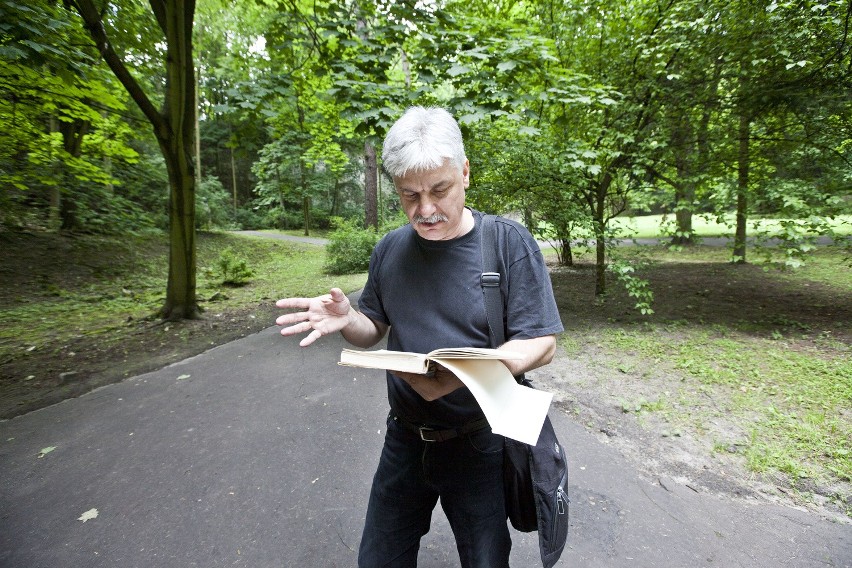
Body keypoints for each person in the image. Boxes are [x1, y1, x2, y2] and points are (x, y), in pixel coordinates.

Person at [275, 106, 563, 568]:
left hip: (480, 443)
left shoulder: (507, 243)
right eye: (410, 195)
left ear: (465, 173)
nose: (425, 210)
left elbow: (542, 343)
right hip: (405, 440)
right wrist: (347, 317)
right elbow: (372, 331)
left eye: (439, 190)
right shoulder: (390, 248)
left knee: (485, 560)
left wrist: (470, 369)